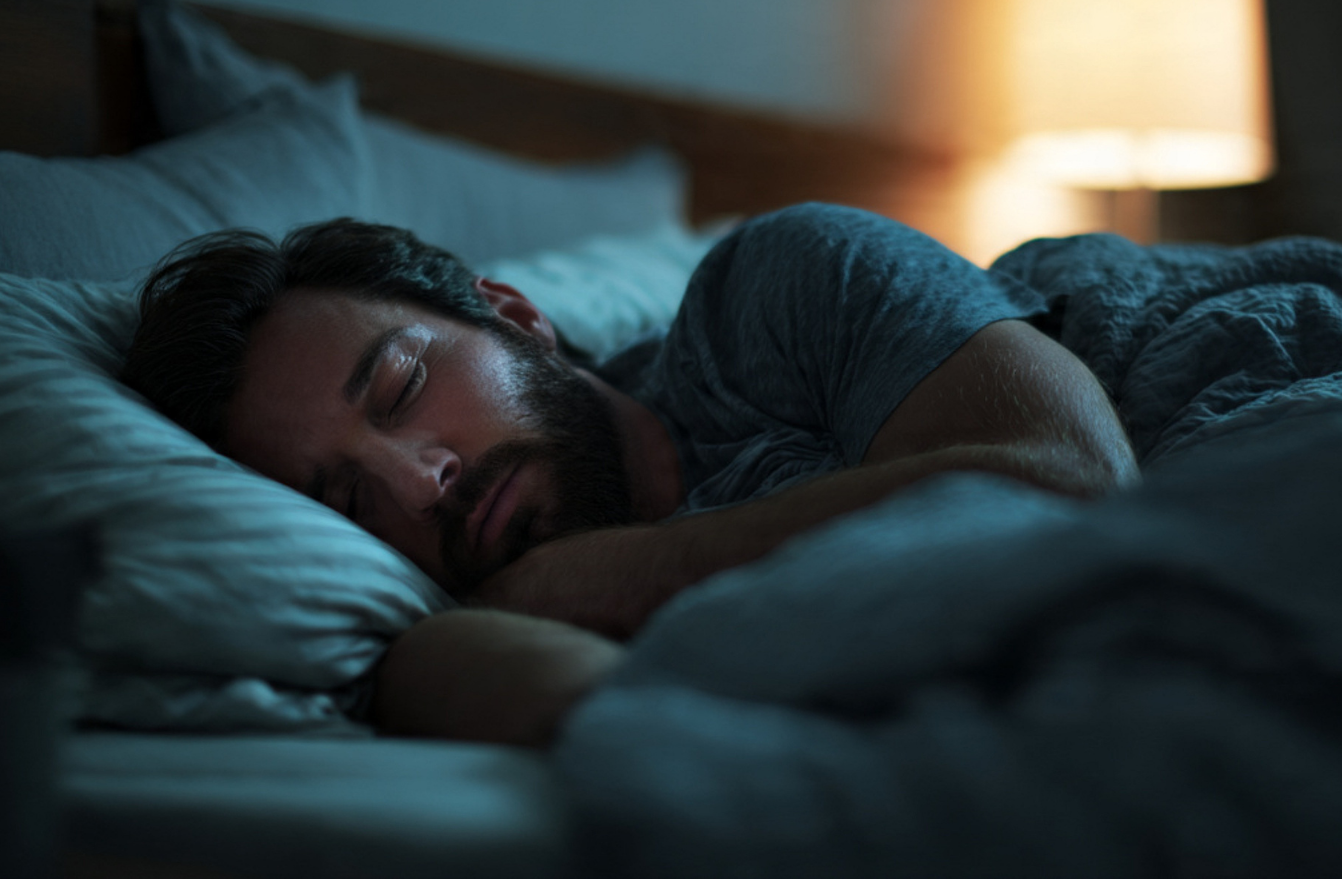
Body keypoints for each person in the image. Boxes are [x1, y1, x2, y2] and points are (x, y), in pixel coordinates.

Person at [122, 203, 1141, 745]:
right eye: (347, 500)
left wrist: (619, 571)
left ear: (515, 316)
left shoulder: (776, 289)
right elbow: (673, 759)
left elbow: (1072, 483)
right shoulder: (460, 629)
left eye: (401, 388)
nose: (417, 483)